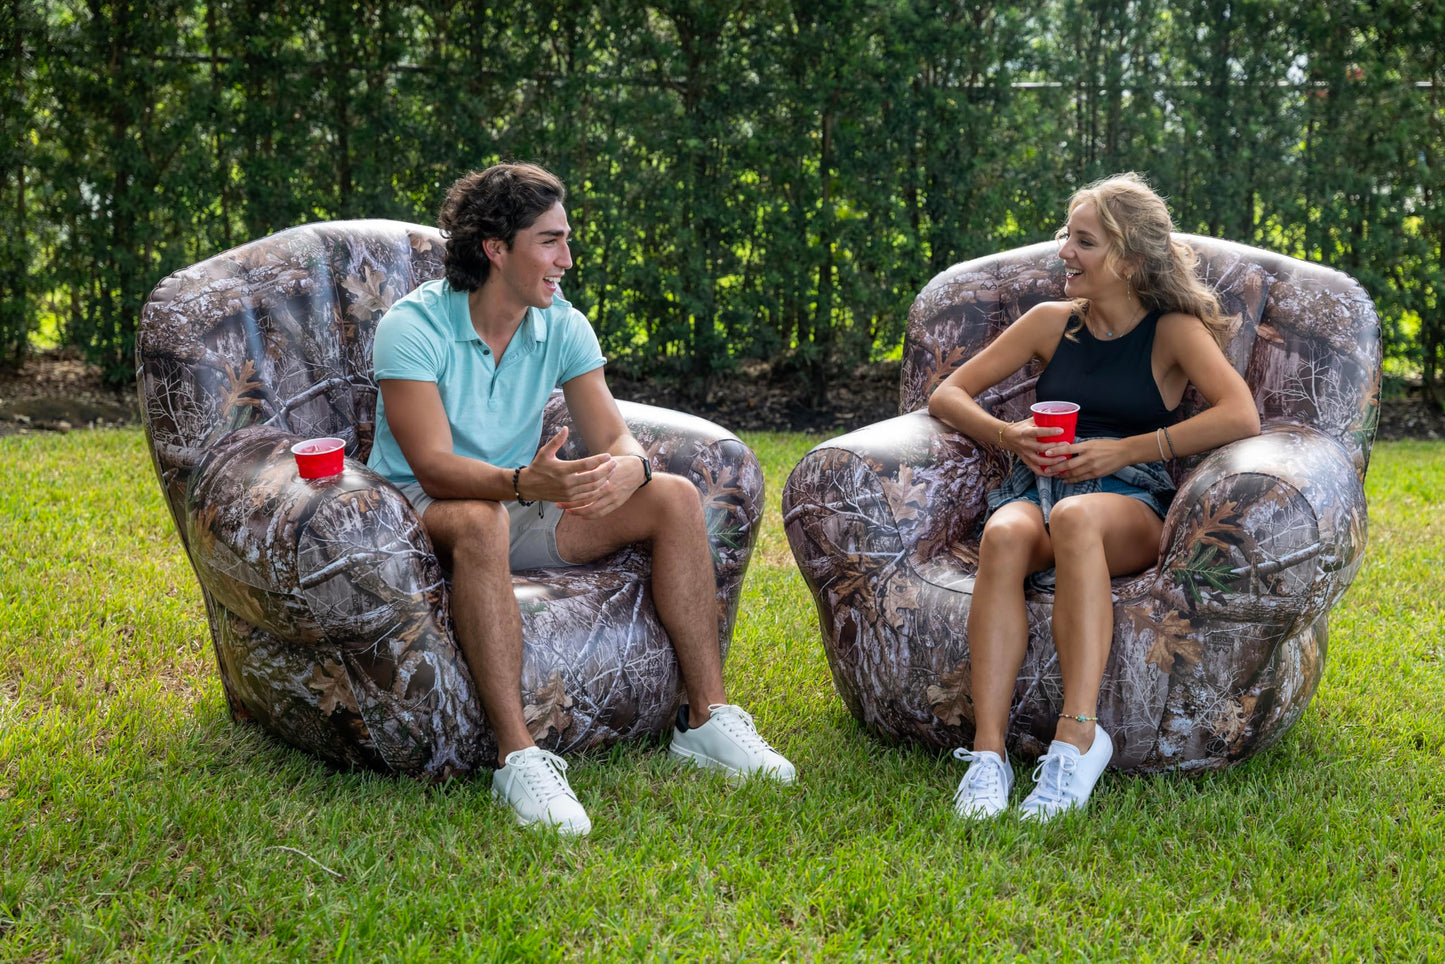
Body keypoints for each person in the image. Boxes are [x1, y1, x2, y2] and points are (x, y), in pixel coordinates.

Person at [368, 163, 795, 836]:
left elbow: (613, 434)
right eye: (549, 241)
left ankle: (706, 721)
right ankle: (519, 757)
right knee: (481, 521)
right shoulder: (412, 327)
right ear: (495, 248)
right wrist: (521, 484)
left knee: (674, 497)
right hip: (420, 515)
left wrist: (629, 467)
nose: (566, 259)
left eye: (565, 240)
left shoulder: (561, 324)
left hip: (521, 498)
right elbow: (432, 465)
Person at [927, 172, 1260, 821]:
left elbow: (1238, 416)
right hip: (1040, 482)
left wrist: (1125, 450)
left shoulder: (1172, 330)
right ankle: (987, 755)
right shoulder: (1050, 323)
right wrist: (1008, 435)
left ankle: (1076, 739)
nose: (1062, 253)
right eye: (1065, 237)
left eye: (1082, 241)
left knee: (1077, 517)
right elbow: (946, 394)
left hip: (1127, 498)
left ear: (1129, 260)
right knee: (1003, 533)